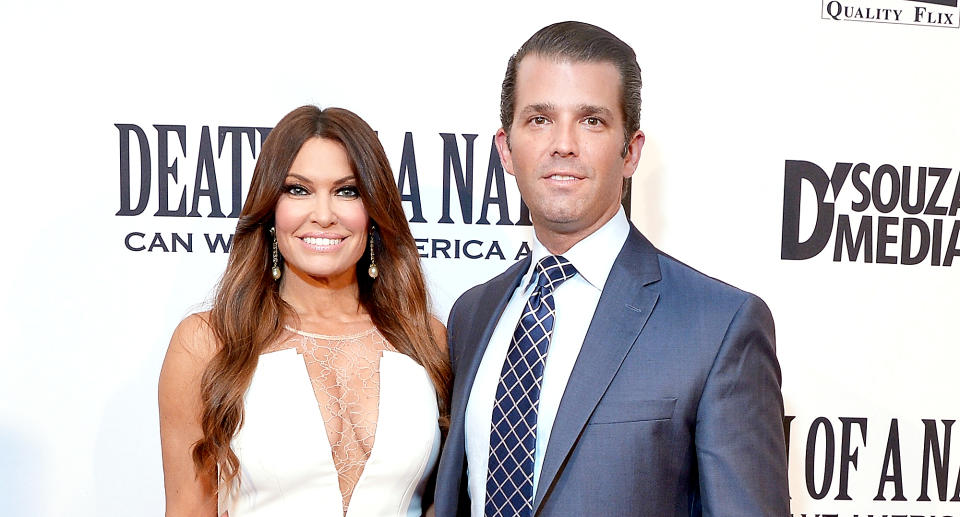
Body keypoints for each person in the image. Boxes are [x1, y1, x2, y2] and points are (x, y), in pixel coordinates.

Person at [433, 21, 789, 516]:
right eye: (539, 119)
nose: (563, 144)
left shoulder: (719, 325)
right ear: (505, 149)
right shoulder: (473, 314)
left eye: (592, 121)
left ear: (631, 152)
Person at [159, 106, 450, 516]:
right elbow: (189, 509)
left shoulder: (426, 339)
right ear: (270, 211)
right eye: (298, 190)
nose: (324, 215)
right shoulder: (208, 341)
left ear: (373, 212)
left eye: (347, 191)